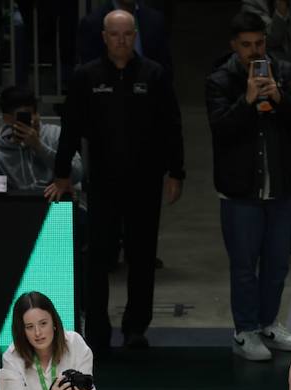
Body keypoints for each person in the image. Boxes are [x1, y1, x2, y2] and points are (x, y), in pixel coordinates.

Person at [48, 9, 185, 353]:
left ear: (134, 35)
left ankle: (136, 328)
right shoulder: (86, 76)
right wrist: (62, 173)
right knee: (99, 258)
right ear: (104, 37)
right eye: (115, 34)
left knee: (142, 257)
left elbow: (172, 126)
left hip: (146, 181)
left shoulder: (154, 74)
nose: (121, 41)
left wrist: (176, 172)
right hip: (104, 183)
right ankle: (96, 331)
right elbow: (71, 128)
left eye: (127, 34)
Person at [207, 11, 291, 362]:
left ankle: (269, 324)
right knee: (244, 266)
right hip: (240, 192)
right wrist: (247, 100)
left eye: (260, 43)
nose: (255, 51)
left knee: (277, 263)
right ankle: (245, 331)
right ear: (234, 46)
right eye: (247, 45)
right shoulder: (220, 80)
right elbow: (221, 129)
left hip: (281, 186)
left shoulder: (284, 72)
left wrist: (278, 99)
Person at [243, 0, 291, 255]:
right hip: (263, 87)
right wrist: (282, 10)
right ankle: (263, 226)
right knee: (265, 159)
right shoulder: (252, 4)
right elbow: (270, 40)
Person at [0, 85, 83, 193]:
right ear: (7, 119)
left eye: (34, 113)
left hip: (56, 200)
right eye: (25, 115)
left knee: (64, 201)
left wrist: (39, 147)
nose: (33, 119)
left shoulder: (56, 134)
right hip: (21, 204)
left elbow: (78, 174)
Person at [76, 0, 172, 73]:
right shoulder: (92, 23)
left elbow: (165, 68)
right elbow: (90, 74)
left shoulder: (155, 20)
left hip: (150, 94)